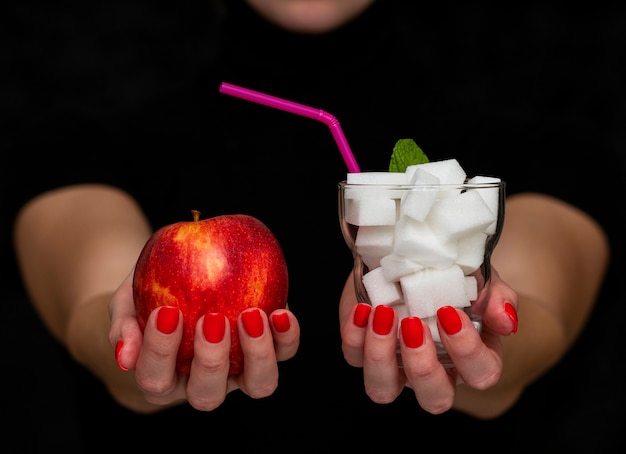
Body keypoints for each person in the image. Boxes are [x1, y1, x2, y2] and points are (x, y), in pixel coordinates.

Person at [4, 0, 625, 451]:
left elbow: (539, 310)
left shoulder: (558, 155)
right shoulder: (77, 151)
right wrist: (138, 338)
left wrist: (477, 338)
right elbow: (93, 301)